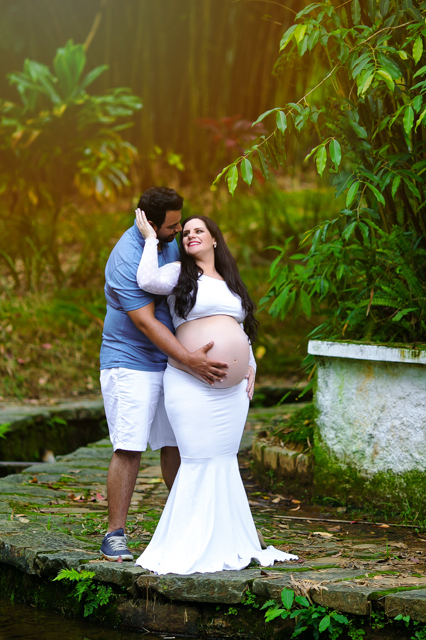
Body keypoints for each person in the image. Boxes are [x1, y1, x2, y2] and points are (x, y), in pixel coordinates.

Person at [133, 209, 301, 574]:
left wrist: (249, 362)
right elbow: (145, 279)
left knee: (224, 460)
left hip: (232, 393)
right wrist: (150, 240)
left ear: (213, 239)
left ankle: (230, 540)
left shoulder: (230, 281)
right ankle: (188, 543)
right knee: (197, 458)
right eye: (186, 232)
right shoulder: (179, 273)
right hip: (189, 382)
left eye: (199, 230)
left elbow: (239, 327)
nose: (191, 234)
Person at [99, 188, 229, 563]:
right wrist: (189, 359)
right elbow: (145, 322)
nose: (179, 230)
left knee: (176, 442)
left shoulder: (172, 243)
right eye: (172, 225)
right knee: (130, 445)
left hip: (170, 362)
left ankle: (188, 526)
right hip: (130, 362)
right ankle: (114, 535)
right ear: (151, 223)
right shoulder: (125, 257)